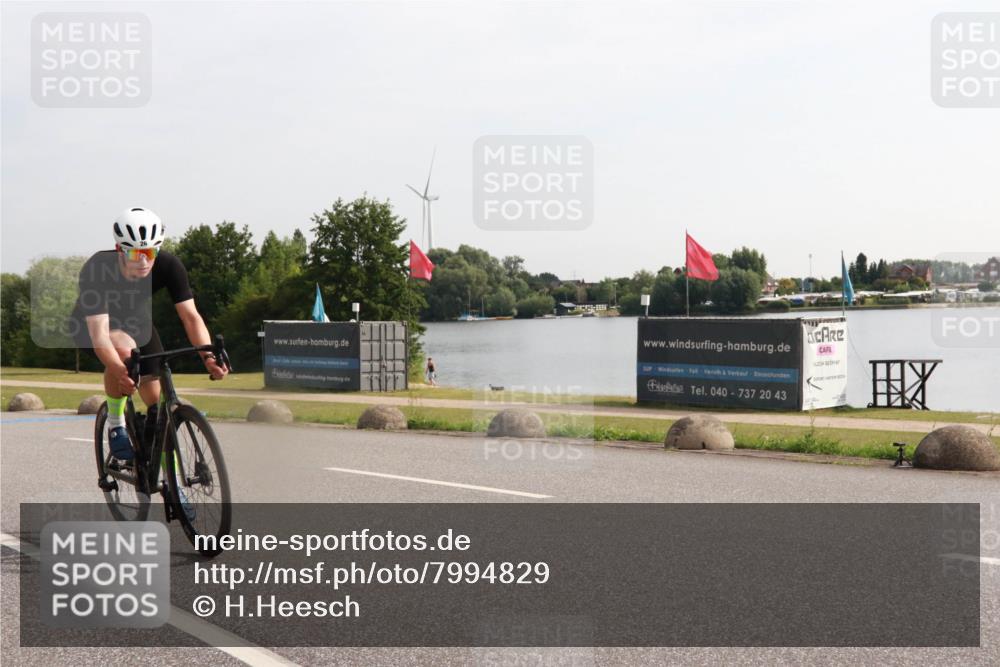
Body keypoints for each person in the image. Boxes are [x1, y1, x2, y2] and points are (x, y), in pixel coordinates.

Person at [70, 207, 228, 463]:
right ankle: (116, 423)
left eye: (149, 252)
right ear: (120, 249)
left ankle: (171, 484)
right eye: (135, 253)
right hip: (92, 324)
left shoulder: (169, 265)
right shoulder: (97, 267)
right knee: (123, 352)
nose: (143, 261)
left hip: (136, 322)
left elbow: (190, 317)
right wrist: (119, 369)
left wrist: (208, 355)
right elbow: (100, 335)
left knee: (158, 410)